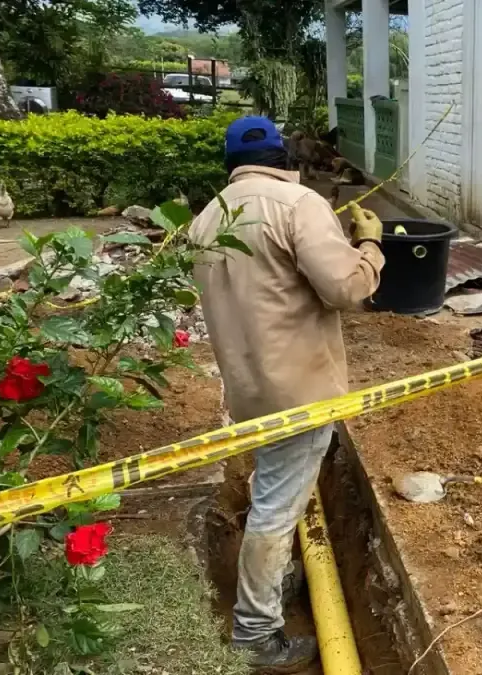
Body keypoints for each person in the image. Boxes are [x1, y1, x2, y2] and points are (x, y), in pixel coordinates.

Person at [188, 116, 385, 671]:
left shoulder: (208, 218)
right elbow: (347, 288)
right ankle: (255, 632)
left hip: (247, 388)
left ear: (231, 164)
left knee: (272, 489)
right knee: (277, 509)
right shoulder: (298, 205)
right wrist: (370, 243)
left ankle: (271, 581)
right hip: (300, 392)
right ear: (284, 158)